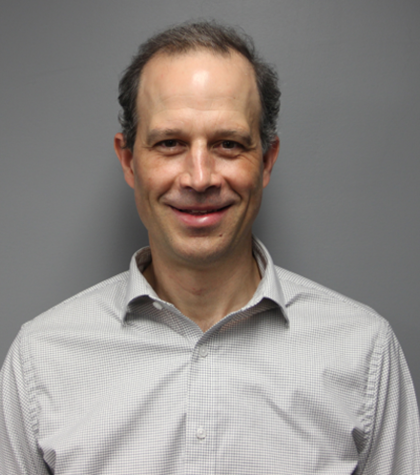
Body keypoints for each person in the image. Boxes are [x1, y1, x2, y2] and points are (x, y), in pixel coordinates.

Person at [1, 20, 419, 475]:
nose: (199, 178)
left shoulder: (364, 353)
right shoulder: (41, 360)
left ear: (266, 161)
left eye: (228, 144)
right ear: (129, 160)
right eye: (170, 143)